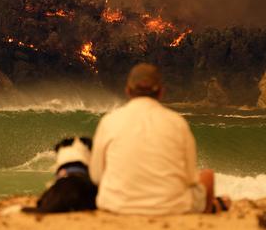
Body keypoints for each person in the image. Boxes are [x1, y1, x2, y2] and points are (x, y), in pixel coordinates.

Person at [89, 63, 230, 215]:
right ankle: (209, 211)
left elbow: (96, 176)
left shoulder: (109, 121)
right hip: (171, 208)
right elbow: (190, 178)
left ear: (128, 91)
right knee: (207, 175)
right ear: (161, 92)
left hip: (116, 206)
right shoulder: (177, 123)